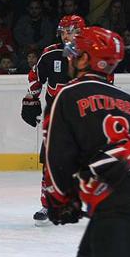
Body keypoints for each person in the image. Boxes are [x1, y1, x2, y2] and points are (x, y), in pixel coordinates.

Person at [42, 26, 130, 257]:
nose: (69, 58)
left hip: (118, 194)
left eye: (74, 53)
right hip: (123, 189)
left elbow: (57, 156)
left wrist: (59, 200)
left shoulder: (69, 94)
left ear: (85, 59)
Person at [20, 15, 86, 226]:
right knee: (50, 163)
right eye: (64, 31)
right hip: (57, 118)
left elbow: (104, 82)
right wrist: (31, 99)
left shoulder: (90, 54)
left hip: (85, 119)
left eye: (71, 31)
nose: (66, 35)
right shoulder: (50, 53)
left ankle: (101, 204)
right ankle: (48, 205)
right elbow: (35, 77)